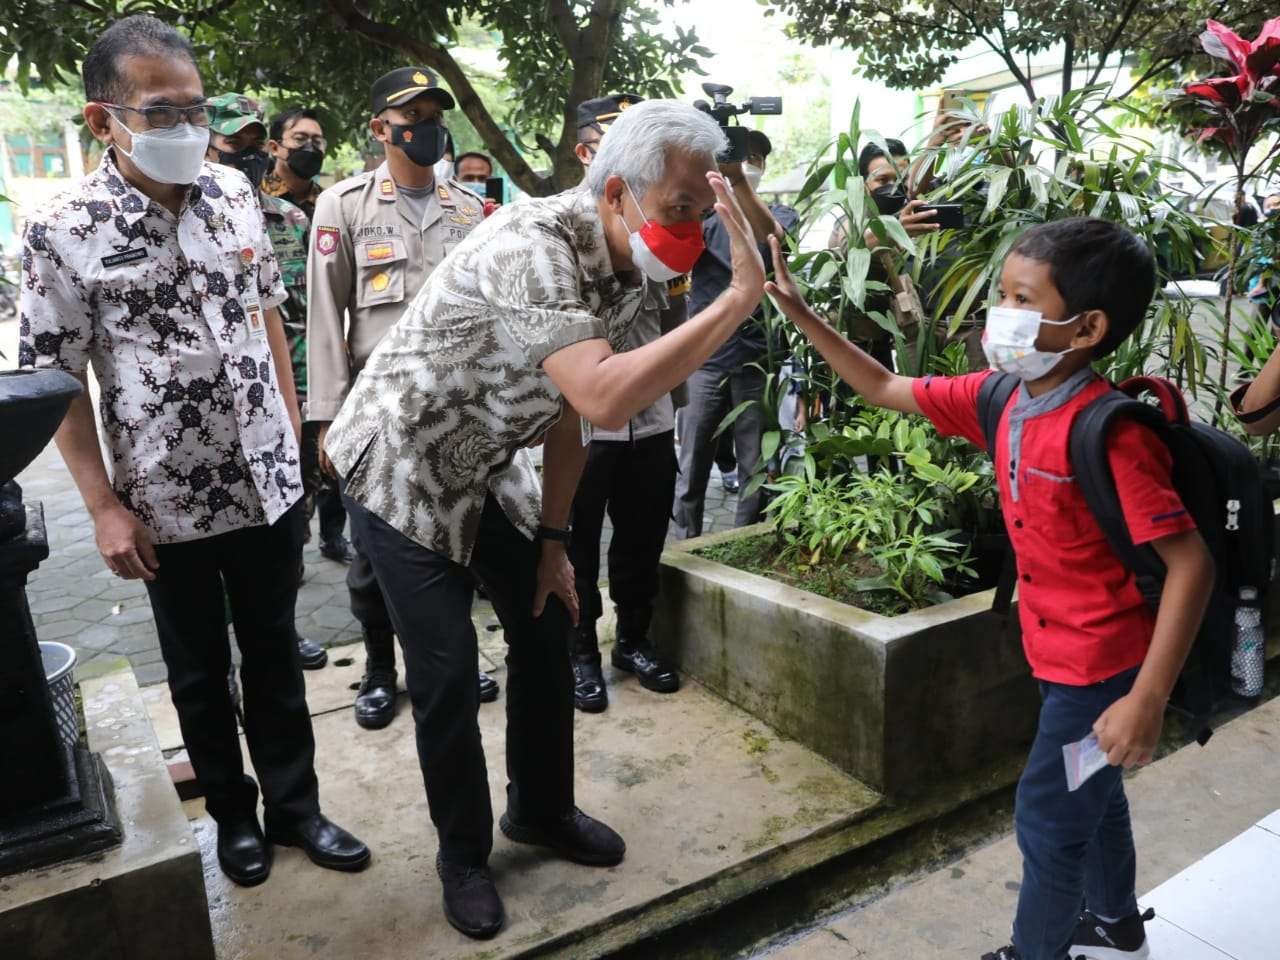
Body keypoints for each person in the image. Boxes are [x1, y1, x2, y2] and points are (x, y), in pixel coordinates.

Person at [325, 98, 766, 940]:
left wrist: (557, 543)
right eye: (680, 210)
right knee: (448, 670)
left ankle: (541, 810)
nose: (691, 230)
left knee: (549, 616)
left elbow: (576, 413)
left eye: (704, 215)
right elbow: (605, 388)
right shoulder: (531, 244)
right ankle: (463, 855)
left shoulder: (629, 268)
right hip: (400, 462)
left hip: (491, 463)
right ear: (614, 193)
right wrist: (737, 300)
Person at [764, 216, 1214, 960]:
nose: (998, 313)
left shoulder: (1111, 433)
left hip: (1103, 671)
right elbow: (881, 384)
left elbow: (1192, 564)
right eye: (1000, 292)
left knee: (1046, 817)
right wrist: (800, 311)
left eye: (1021, 297)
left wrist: (1147, 699)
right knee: (1088, 798)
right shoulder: (1000, 397)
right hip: (1053, 652)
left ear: (1086, 327)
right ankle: (1114, 919)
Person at [19, 14, 369, 887]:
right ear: (106, 120)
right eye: (162, 112)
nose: (186, 129)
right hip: (163, 501)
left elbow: (266, 321)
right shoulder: (61, 230)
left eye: (196, 110)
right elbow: (56, 384)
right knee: (199, 673)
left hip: (269, 482)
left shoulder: (236, 196)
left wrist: (297, 433)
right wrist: (102, 506)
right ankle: (233, 817)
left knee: (277, 654)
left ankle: (297, 808)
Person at [306, 66, 497, 729]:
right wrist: (326, 420)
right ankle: (381, 669)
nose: (426, 127)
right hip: (375, 417)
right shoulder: (346, 205)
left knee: (455, 546)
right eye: (409, 116)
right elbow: (326, 317)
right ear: (380, 128)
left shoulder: (470, 210)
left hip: (454, 414)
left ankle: (453, 662)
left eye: (432, 114)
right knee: (372, 558)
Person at [565, 93, 686, 713]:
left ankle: (632, 640)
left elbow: (676, 317)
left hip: (653, 415)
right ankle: (580, 650)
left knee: (642, 537)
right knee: (577, 542)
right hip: (585, 422)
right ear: (586, 153)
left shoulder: (659, 225)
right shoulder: (569, 233)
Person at [201, 92, 330, 670]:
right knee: (226, 531)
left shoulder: (291, 219)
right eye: (237, 143)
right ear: (208, 144)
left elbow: (317, 309)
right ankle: (224, 639)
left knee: (289, 523)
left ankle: (283, 626)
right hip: (220, 407)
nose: (249, 153)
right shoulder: (192, 217)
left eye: (257, 141)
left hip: (293, 391)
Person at [672, 128, 794, 540]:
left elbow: (774, 238)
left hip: (759, 358)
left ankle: (744, 542)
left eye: (755, 157)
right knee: (692, 461)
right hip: (705, 357)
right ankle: (684, 545)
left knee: (755, 463)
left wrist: (738, 185)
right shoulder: (703, 213)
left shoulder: (777, 212)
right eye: (741, 156)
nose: (748, 163)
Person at [263, 106, 325, 218]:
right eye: (300, 139)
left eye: (317, 141)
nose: (310, 147)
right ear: (274, 148)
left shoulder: (329, 201)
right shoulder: (255, 197)